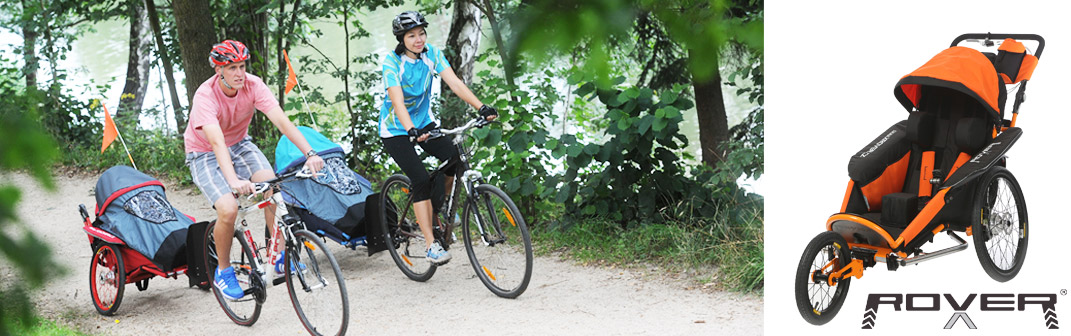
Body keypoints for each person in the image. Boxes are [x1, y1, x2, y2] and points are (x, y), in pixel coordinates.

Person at [184, 40, 323, 300]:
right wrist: (234, 180)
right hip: (203, 153)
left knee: (272, 190)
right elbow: (215, 142)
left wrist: (310, 153)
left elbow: (282, 121)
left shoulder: (253, 84)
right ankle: (223, 273)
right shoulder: (205, 95)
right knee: (228, 209)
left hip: (240, 145)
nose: (240, 73)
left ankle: (279, 256)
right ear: (219, 71)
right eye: (233, 67)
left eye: (243, 66)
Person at [380, 11, 498, 265]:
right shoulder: (392, 63)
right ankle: (432, 245)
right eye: (411, 35)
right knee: (421, 179)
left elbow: (454, 82)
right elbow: (398, 102)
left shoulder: (431, 53)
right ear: (402, 39)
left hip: (424, 124)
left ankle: (438, 206)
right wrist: (411, 129)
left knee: (453, 157)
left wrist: (481, 107)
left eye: (421, 33)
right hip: (396, 130)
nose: (418, 39)